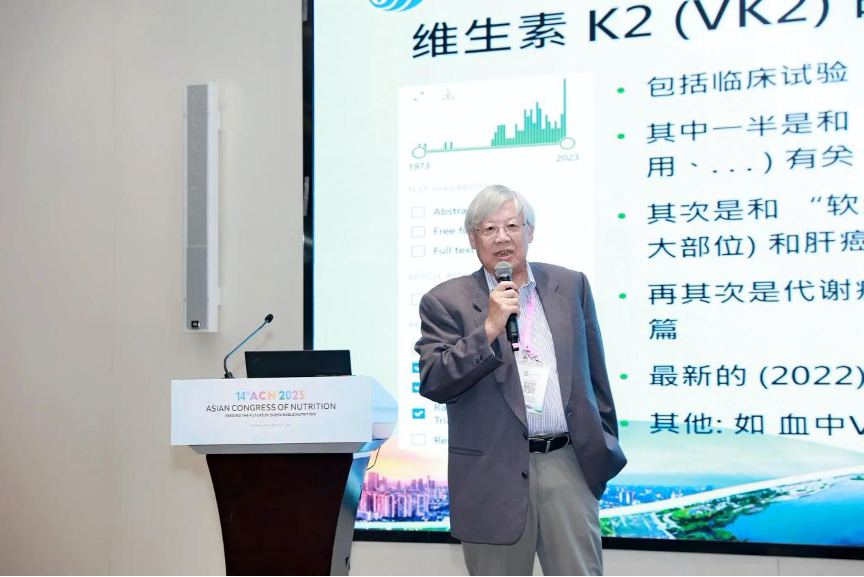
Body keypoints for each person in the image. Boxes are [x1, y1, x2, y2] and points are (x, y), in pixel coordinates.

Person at [415, 184, 626, 576]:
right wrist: (489, 328)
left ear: (530, 231)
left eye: (512, 226)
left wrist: (603, 443)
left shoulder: (571, 285)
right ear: (472, 238)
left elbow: (596, 375)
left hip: (568, 465)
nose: (502, 237)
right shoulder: (445, 301)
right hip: (491, 475)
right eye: (489, 229)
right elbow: (434, 381)